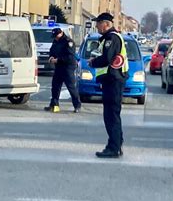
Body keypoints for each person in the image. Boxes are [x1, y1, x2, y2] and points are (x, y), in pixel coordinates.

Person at [88, 13, 128, 158]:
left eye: (98, 23)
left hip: (114, 80)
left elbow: (107, 58)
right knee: (112, 114)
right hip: (111, 80)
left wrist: (93, 62)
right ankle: (117, 143)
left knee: (111, 115)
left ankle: (114, 148)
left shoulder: (112, 38)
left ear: (106, 23)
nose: (96, 26)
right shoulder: (109, 38)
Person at [44, 27, 81, 113]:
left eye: (56, 35)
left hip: (67, 67)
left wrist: (58, 60)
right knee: (55, 87)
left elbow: (70, 56)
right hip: (58, 67)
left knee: (71, 87)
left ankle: (77, 105)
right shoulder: (56, 41)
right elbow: (52, 50)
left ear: (61, 33)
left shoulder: (68, 42)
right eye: (54, 36)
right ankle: (54, 105)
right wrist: (51, 57)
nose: (55, 37)